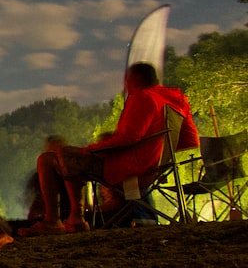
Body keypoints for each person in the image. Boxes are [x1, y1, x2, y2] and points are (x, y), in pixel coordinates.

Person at [22, 62, 199, 236]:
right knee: (69, 157)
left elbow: (128, 138)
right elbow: (191, 140)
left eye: (126, 80)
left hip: (129, 167)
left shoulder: (143, 97)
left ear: (136, 78)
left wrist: (90, 150)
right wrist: (159, 152)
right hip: (156, 167)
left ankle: (55, 221)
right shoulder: (176, 100)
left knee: (48, 158)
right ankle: (75, 218)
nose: (125, 85)